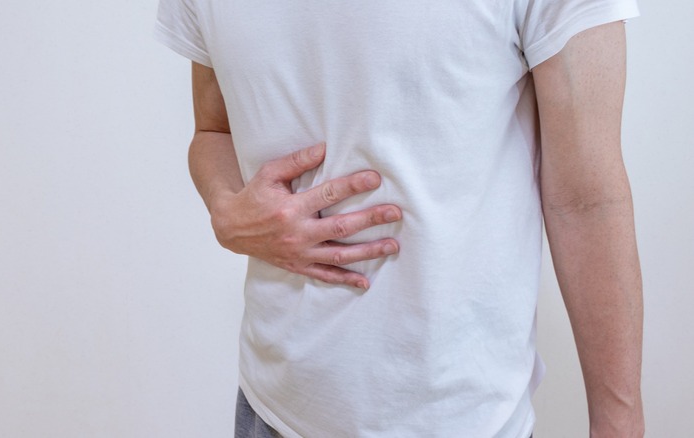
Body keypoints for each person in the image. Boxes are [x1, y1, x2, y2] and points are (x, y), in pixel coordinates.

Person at [154, 0, 644, 436]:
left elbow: (586, 200)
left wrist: (618, 421)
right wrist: (224, 208)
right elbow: (213, 129)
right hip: (275, 409)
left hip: (464, 418)